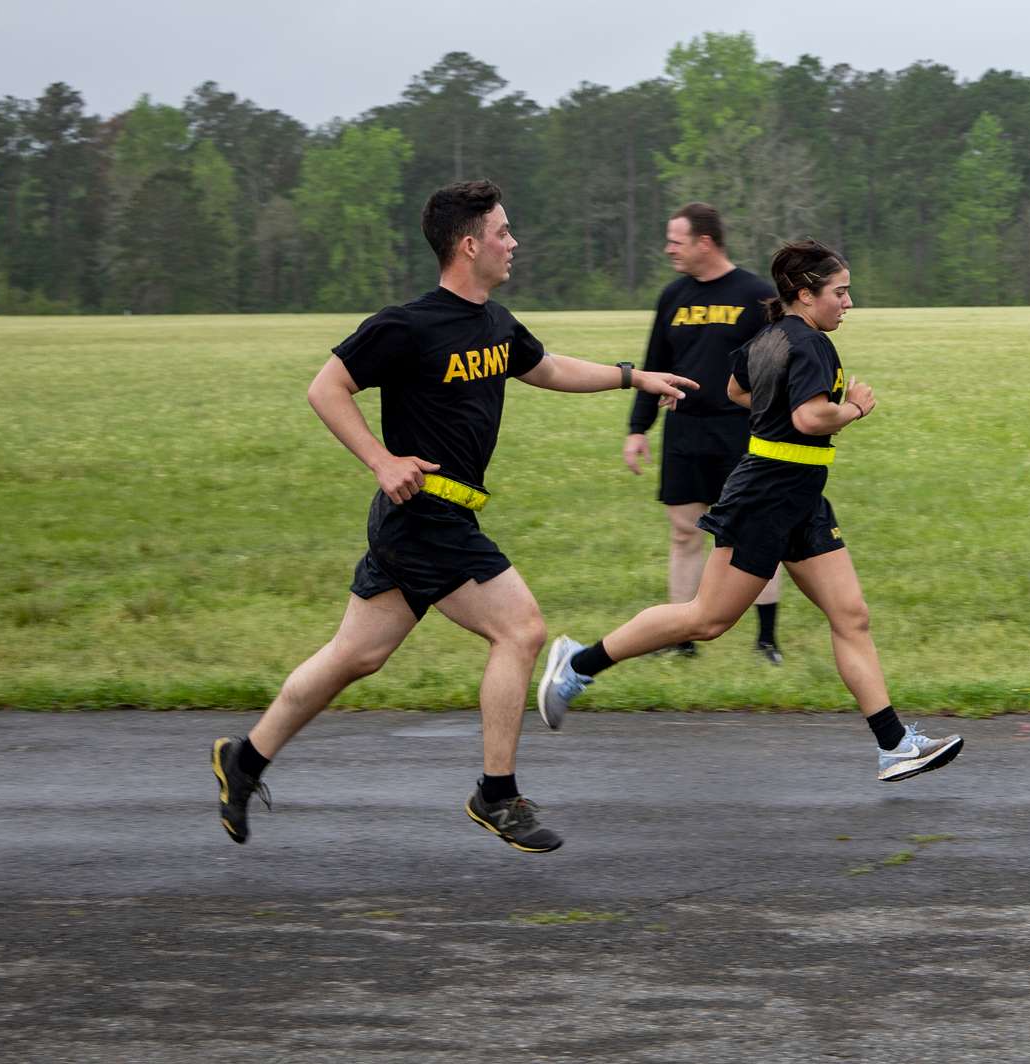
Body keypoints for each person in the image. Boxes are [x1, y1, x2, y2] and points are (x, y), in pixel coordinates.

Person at [211, 180, 696, 852]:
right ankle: (496, 795)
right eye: (502, 231)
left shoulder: (495, 324)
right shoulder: (408, 325)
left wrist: (632, 377)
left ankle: (245, 760)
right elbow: (327, 388)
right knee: (522, 630)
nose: (513, 242)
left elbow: (546, 367)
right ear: (469, 245)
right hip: (424, 518)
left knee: (356, 656)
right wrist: (381, 460)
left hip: (433, 521)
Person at [536, 239, 963, 783]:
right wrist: (854, 407)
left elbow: (740, 390)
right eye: (840, 291)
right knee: (706, 619)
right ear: (806, 295)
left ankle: (894, 744)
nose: (848, 302)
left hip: (800, 495)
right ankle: (578, 664)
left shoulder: (770, 336)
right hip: (766, 496)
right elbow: (811, 419)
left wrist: (784, 413)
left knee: (851, 615)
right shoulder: (810, 345)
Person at [624, 203, 787, 663]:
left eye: (676, 240)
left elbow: (779, 365)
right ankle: (681, 639)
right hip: (685, 433)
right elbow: (652, 364)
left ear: (706, 242)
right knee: (683, 532)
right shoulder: (672, 296)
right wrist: (638, 429)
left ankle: (766, 640)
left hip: (742, 432)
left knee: (753, 533)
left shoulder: (755, 294)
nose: (668, 249)